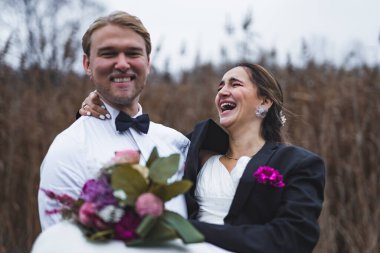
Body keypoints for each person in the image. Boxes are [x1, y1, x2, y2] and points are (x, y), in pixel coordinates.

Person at [80, 63, 325, 253]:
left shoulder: (298, 163)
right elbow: (131, 146)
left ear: (264, 101)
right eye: (220, 87)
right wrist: (104, 110)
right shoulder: (191, 150)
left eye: (235, 84)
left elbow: (293, 238)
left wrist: (187, 230)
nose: (222, 92)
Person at [38, 11, 190, 231]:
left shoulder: (178, 143)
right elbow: (59, 241)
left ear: (148, 63)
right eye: (108, 54)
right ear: (87, 64)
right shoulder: (68, 149)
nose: (122, 64)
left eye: (133, 53)